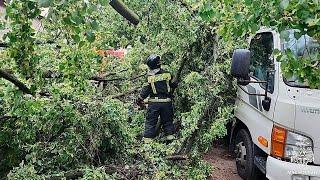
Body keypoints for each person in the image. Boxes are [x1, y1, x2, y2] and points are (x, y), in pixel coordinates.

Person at [136, 54, 178, 143]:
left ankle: (147, 144)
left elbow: (144, 92)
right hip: (167, 103)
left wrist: (139, 100)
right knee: (167, 122)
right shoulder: (167, 74)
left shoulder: (149, 78)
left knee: (150, 123)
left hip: (154, 104)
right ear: (159, 64)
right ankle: (170, 143)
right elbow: (175, 84)